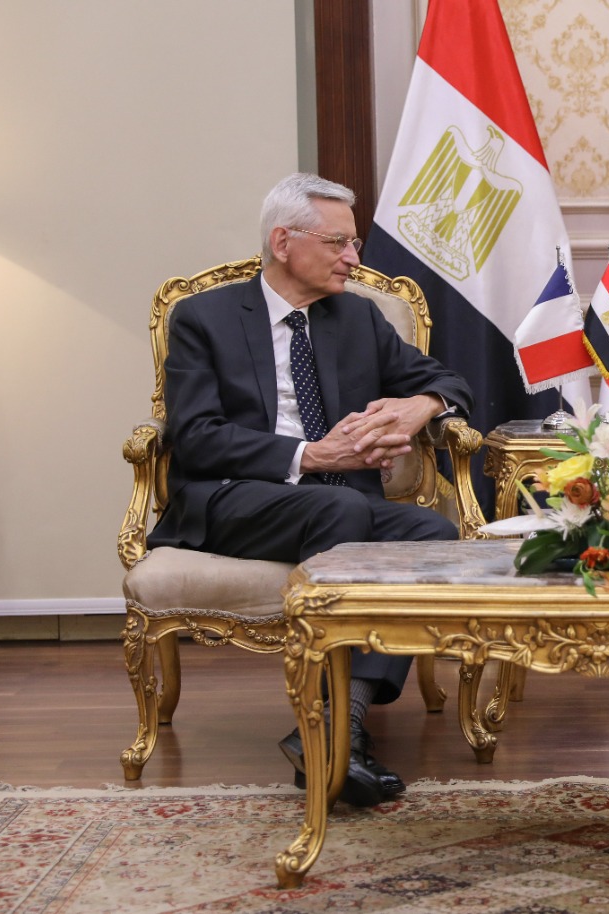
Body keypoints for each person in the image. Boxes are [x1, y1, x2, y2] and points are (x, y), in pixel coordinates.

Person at [147, 172, 474, 806]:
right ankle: (338, 736)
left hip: (335, 502)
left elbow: (448, 379)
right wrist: (313, 454)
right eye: (337, 243)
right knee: (343, 504)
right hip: (235, 498)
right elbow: (196, 437)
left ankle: (331, 729)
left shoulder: (357, 317)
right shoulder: (204, 318)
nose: (353, 258)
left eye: (354, 243)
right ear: (283, 242)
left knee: (430, 531)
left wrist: (422, 406)